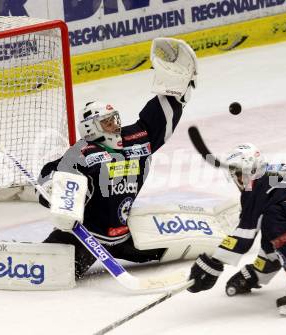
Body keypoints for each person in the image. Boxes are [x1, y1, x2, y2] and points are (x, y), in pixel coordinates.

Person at [37, 38, 198, 278]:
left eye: (115, 119)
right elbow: (53, 172)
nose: (115, 125)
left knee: (176, 249)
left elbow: (158, 119)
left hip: (126, 235)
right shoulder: (82, 151)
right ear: (91, 128)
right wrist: (50, 187)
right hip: (87, 239)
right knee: (47, 271)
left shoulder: (137, 138)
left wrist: (177, 86)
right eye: (107, 122)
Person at [187, 143, 286, 316]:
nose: (239, 180)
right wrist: (256, 274)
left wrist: (213, 263)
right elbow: (274, 242)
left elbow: (243, 236)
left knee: (274, 216)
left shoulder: (262, 184)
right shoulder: (271, 180)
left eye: (240, 174)